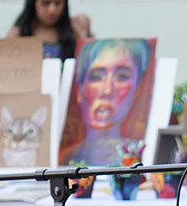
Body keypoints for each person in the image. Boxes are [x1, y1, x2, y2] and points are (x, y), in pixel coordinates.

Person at [58, 38, 154, 166]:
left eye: (122, 76)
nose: (107, 90)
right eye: (96, 77)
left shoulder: (145, 157)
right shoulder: (62, 159)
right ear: (79, 90)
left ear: (138, 89)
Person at [6, 0, 94, 60]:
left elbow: (90, 67)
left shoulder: (74, 31)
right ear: (33, 3)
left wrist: (84, 36)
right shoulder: (19, 34)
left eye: (58, 3)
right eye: (45, 3)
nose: (52, 10)